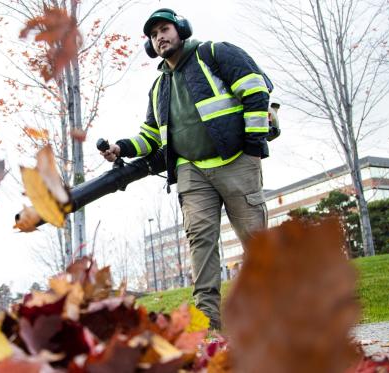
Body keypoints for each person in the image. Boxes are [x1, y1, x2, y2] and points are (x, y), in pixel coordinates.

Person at [100, 8, 272, 330]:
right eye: (153, 35)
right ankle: (208, 325)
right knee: (200, 245)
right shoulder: (158, 87)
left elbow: (255, 91)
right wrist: (121, 147)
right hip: (192, 172)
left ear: (181, 29)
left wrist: (252, 147)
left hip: (236, 162)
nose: (159, 37)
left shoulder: (215, 53)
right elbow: (151, 136)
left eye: (164, 29)